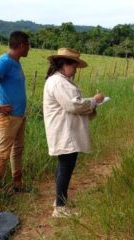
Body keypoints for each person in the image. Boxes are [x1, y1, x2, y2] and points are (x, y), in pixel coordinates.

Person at [43, 48, 104, 217]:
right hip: (64, 130)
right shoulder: (58, 82)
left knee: (64, 165)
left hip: (65, 128)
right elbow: (74, 104)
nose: (76, 70)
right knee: (65, 166)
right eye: (74, 65)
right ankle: (60, 208)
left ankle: (59, 200)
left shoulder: (60, 80)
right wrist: (94, 100)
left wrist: (91, 103)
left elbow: (73, 104)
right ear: (65, 64)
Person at [0, 31, 30, 193]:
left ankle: (17, 185)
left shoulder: (16, 62)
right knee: (3, 153)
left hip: (18, 116)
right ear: (22, 45)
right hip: (8, 117)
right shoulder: (5, 61)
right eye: (28, 45)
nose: (29, 49)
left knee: (17, 150)